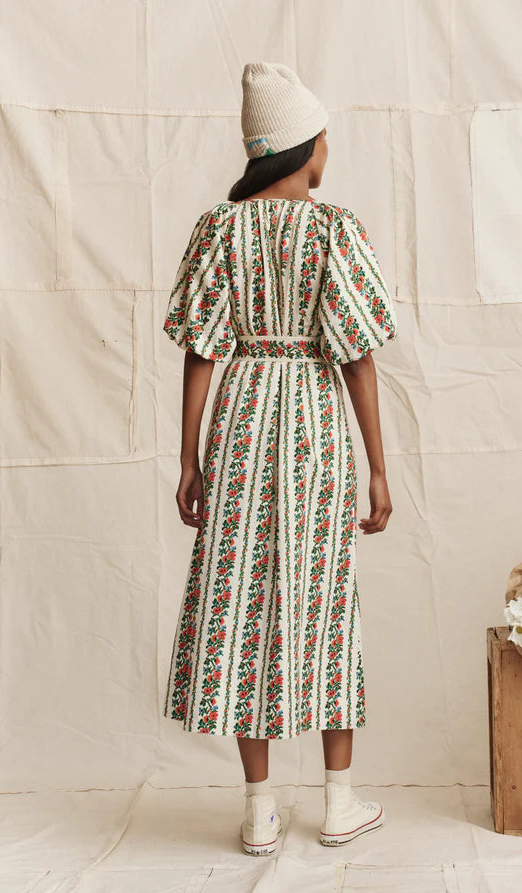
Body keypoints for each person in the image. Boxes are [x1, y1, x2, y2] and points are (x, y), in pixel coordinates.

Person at [162, 61, 397, 856]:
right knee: (326, 597)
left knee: (241, 604)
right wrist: (378, 465)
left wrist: (189, 458)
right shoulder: (335, 230)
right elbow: (358, 356)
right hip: (316, 423)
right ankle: (338, 801)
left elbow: (201, 350)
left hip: (241, 415)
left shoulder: (217, 230)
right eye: (323, 138)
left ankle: (261, 807)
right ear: (306, 149)